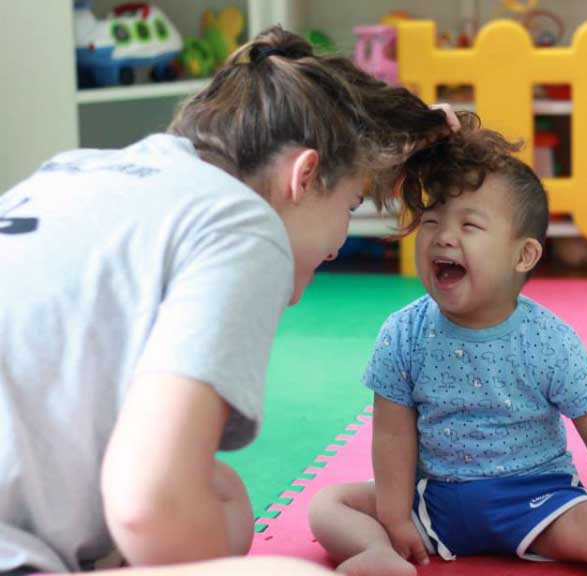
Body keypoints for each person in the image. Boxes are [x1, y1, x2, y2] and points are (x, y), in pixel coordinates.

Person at [0, 25, 457, 576]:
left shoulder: (79, 172)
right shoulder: (244, 224)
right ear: (305, 175)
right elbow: (150, 509)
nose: (341, 239)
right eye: (352, 203)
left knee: (221, 494)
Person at [308, 114, 587, 576]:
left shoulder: (548, 340)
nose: (443, 235)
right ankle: (378, 556)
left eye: (469, 225)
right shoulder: (402, 333)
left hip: (537, 497)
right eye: (431, 220)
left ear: (522, 255)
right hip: (434, 499)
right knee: (328, 503)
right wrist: (394, 518)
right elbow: (391, 433)